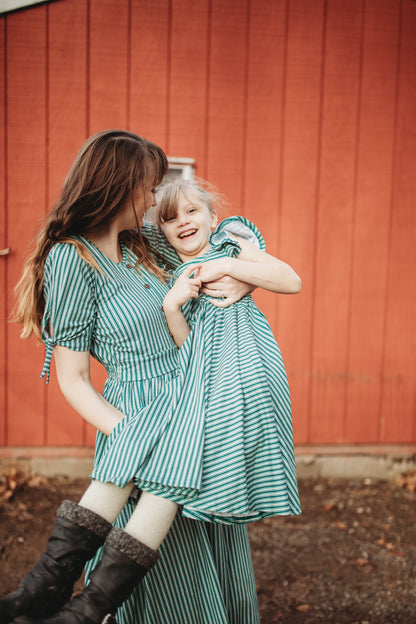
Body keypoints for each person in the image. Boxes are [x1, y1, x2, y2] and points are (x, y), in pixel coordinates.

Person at [0, 130, 260, 624]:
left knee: (199, 540)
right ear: (120, 184)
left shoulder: (148, 247)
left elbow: (209, 255)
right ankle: (47, 597)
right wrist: (128, 433)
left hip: (192, 400)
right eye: (148, 185)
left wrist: (243, 272)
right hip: (133, 412)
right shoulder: (72, 259)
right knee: (163, 558)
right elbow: (74, 379)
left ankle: (60, 603)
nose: (153, 197)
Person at [134, 178, 302, 525]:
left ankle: (241, 504)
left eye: (192, 211)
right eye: (170, 217)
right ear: (162, 231)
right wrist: (171, 309)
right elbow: (186, 345)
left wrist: (229, 267)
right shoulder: (171, 276)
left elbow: (291, 280)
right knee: (214, 443)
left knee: (253, 436)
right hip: (205, 371)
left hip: (250, 362)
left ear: (212, 219)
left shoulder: (229, 246)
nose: (183, 221)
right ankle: (210, 509)